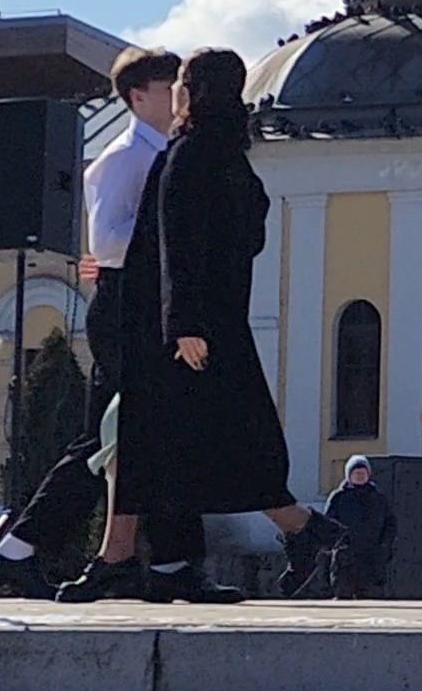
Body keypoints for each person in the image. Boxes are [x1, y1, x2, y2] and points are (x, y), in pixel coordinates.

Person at [116, 48, 344, 603]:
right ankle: (170, 565)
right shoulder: (230, 155)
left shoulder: (189, 153)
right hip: (219, 320)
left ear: (189, 92)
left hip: (184, 333)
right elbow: (250, 232)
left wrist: (183, 322)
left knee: (205, 442)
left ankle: (304, 529)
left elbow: (176, 243)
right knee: (193, 444)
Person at [0, 47, 183, 602]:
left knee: (147, 436)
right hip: (124, 308)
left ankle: (170, 564)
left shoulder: (163, 150)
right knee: (105, 438)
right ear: (138, 96)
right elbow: (107, 241)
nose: (179, 97)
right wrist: (171, 233)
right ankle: (18, 549)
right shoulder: (122, 157)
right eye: (171, 87)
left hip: (142, 304)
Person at [325, 456, 397, 600]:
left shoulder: (378, 498)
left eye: (363, 473)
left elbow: (390, 524)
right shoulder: (338, 497)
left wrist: (384, 546)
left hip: (372, 557)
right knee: (343, 596)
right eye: (356, 473)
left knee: (371, 597)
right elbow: (328, 522)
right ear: (349, 475)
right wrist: (337, 545)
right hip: (345, 557)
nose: (360, 476)